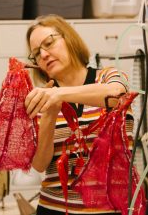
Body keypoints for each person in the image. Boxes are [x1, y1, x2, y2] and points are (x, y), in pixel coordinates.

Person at [24, 14, 133, 215]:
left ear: (69, 38)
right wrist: (49, 114)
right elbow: (39, 165)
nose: (45, 55)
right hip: (54, 208)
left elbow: (116, 94)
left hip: (111, 208)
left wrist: (58, 93)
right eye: (37, 54)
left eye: (49, 43)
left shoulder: (108, 76)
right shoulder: (42, 97)